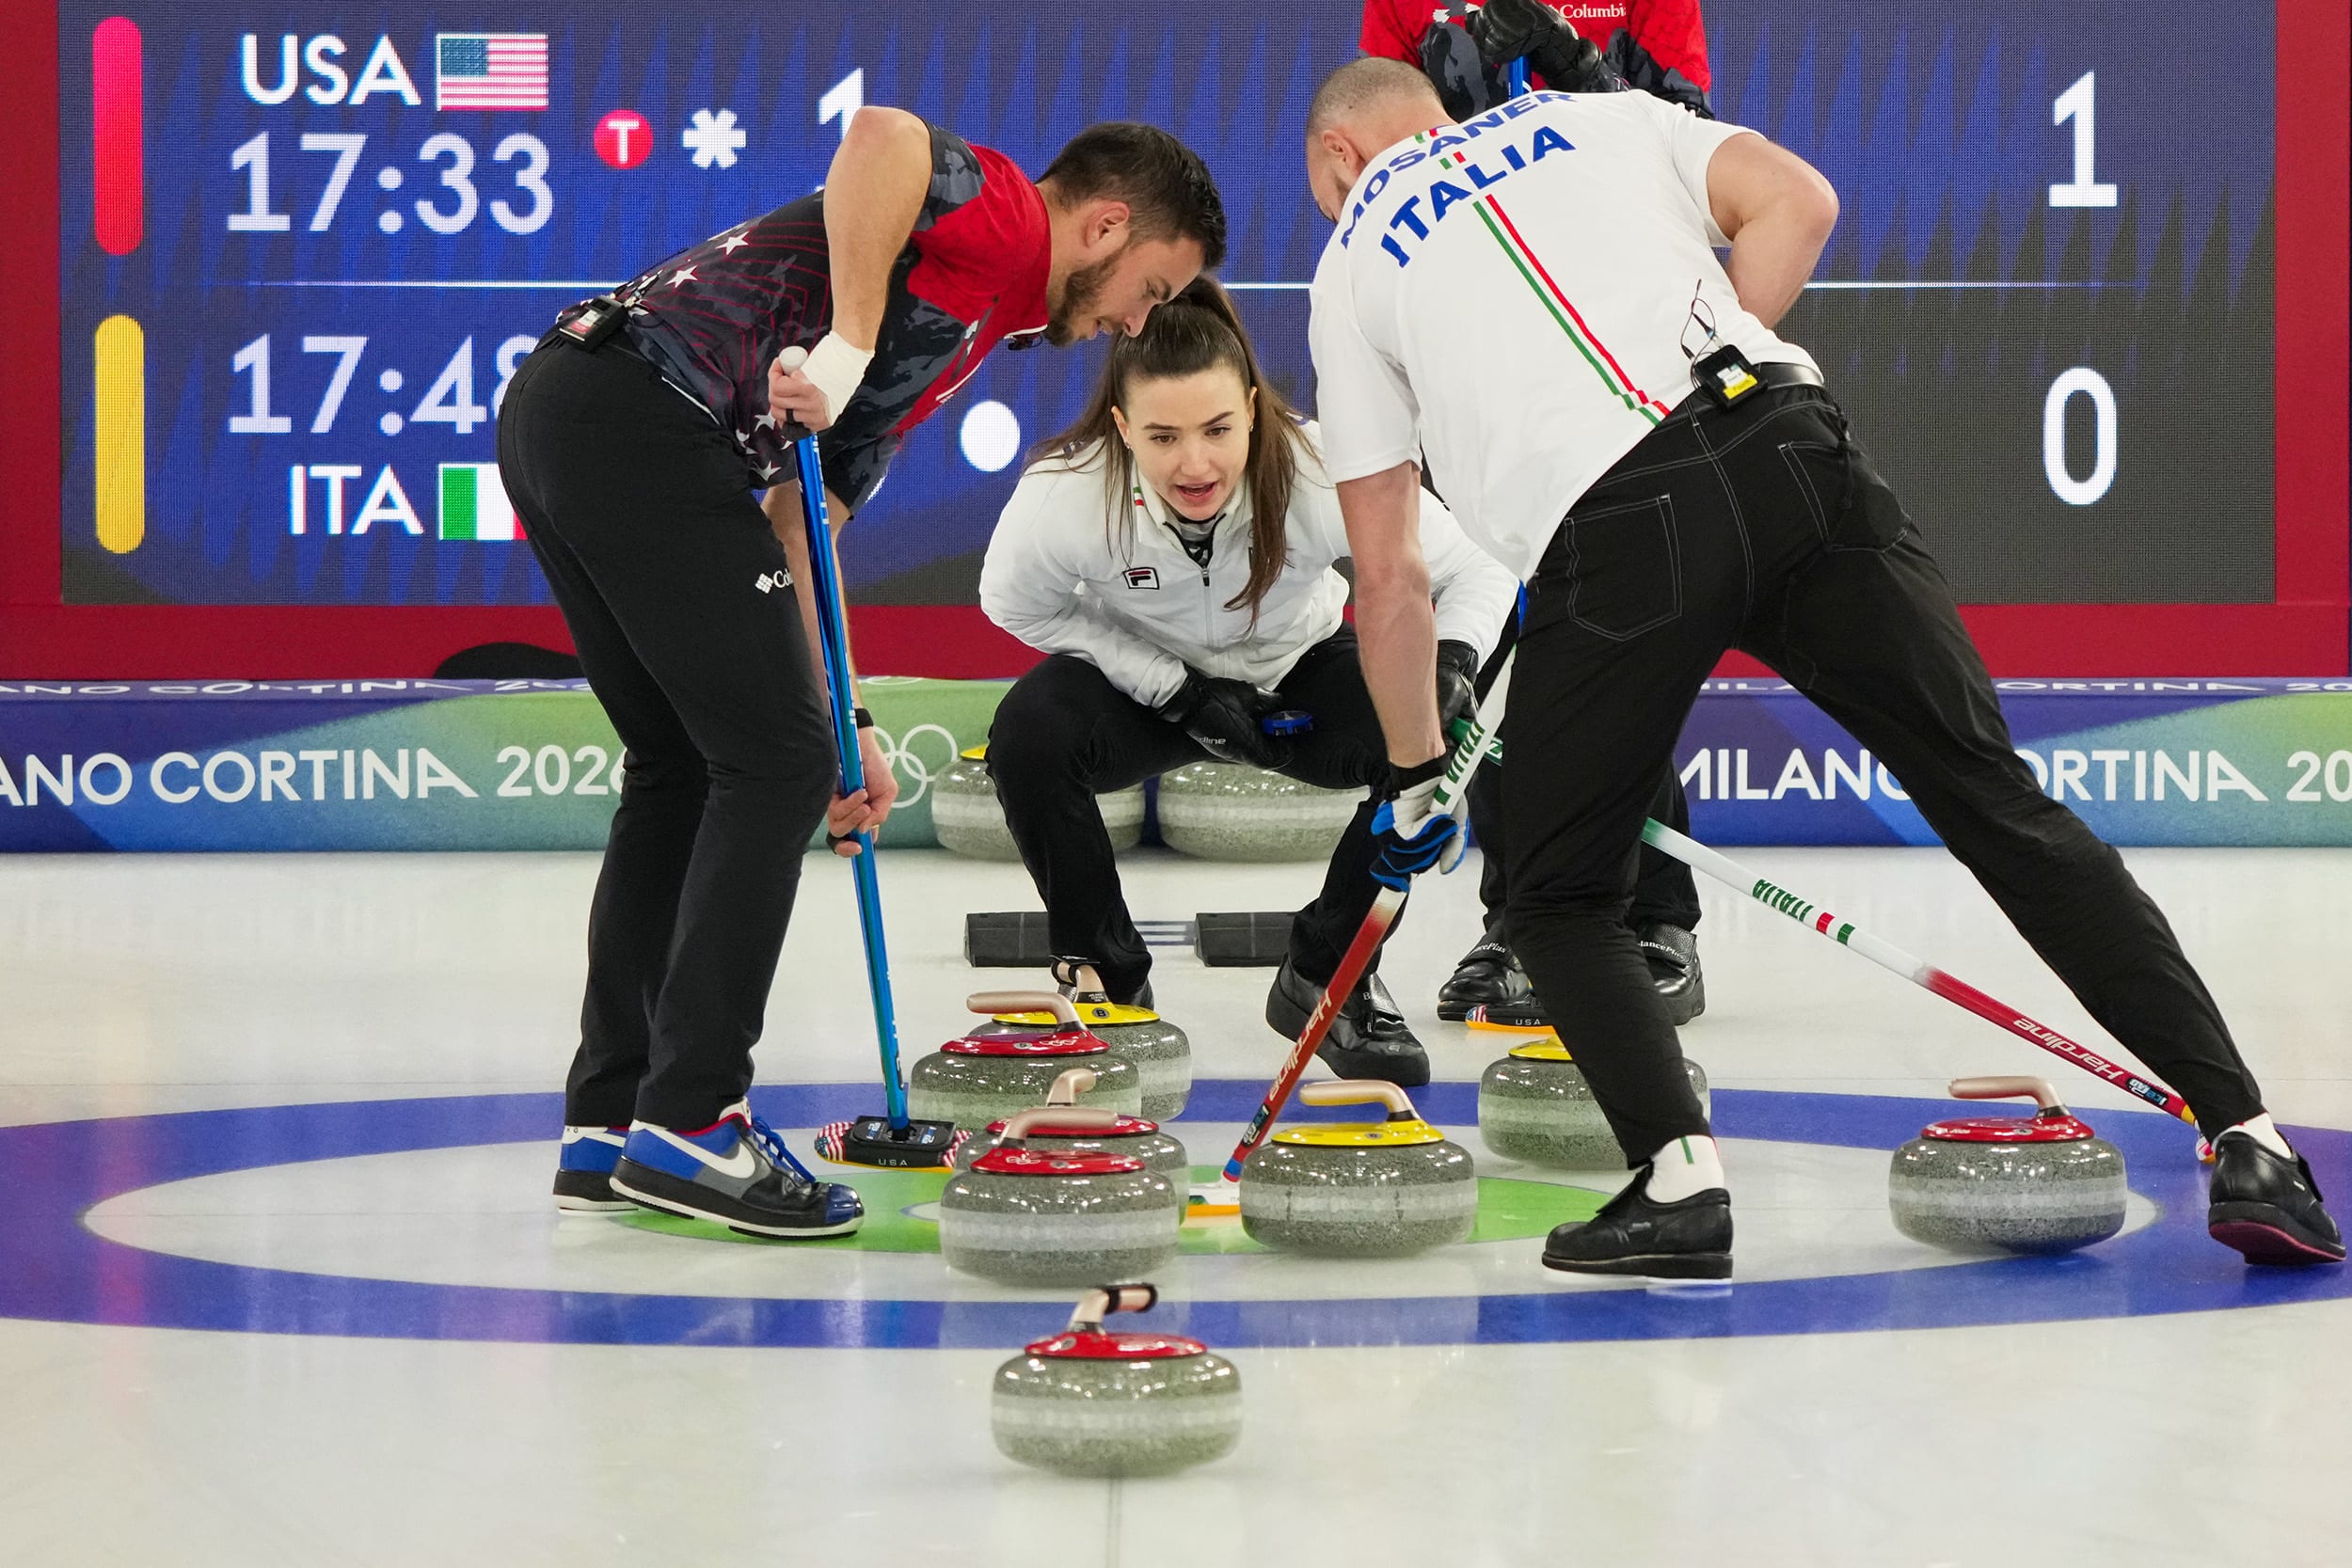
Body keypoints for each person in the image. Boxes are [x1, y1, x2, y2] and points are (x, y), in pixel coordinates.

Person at [1299, 58, 2343, 1276]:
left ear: (1338, 158)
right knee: (1996, 800)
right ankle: (2254, 1138)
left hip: (1619, 532)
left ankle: (1680, 1185)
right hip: (1792, 445)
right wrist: (1712, 367)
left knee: (1555, 888)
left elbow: (1389, 579)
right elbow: (1803, 200)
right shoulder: (1603, 115)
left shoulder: (1355, 255)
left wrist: (1422, 769)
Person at [502, 112, 1224, 1237]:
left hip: (569, 408)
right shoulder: (1000, 222)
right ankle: (694, 1119)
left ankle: (612, 1124)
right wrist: (844, 338)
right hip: (643, 415)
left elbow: (801, 518)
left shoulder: (969, 327)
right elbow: (880, 138)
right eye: (1153, 286)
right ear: (1104, 223)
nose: (1140, 321)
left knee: (688, 767)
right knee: (765, 764)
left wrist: (847, 721)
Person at [978, 278, 1518, 1085]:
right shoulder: (1067, 493)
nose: (1195, 463)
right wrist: (1177, 690)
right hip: (1147, 693)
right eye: (1162, 436)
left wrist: (1447, 666)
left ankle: (1327, 975)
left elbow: (1478, 565)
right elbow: (1011, 603)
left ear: (1257, 411)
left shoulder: (1319, 467)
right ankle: (1107, 981)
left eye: (1219, 429)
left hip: (1296, 675)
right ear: (1122, 428)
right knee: (1028, 737)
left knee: (1415, 750)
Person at [1363, 0, 1713, 1027]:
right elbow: (1389, 161)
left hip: (1615, 324)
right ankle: (1520, 911)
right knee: (1497, 630)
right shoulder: (1404, 7)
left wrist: (1568, 57)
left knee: (1608, 629)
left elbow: (1687, 143)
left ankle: (1656, 916)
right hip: (1478, 326)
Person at [1359, 0, 1714, 122]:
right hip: (1472, 239)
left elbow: (1689, 133)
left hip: (1611, 231)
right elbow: (1379, 144)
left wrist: (1575, 66)